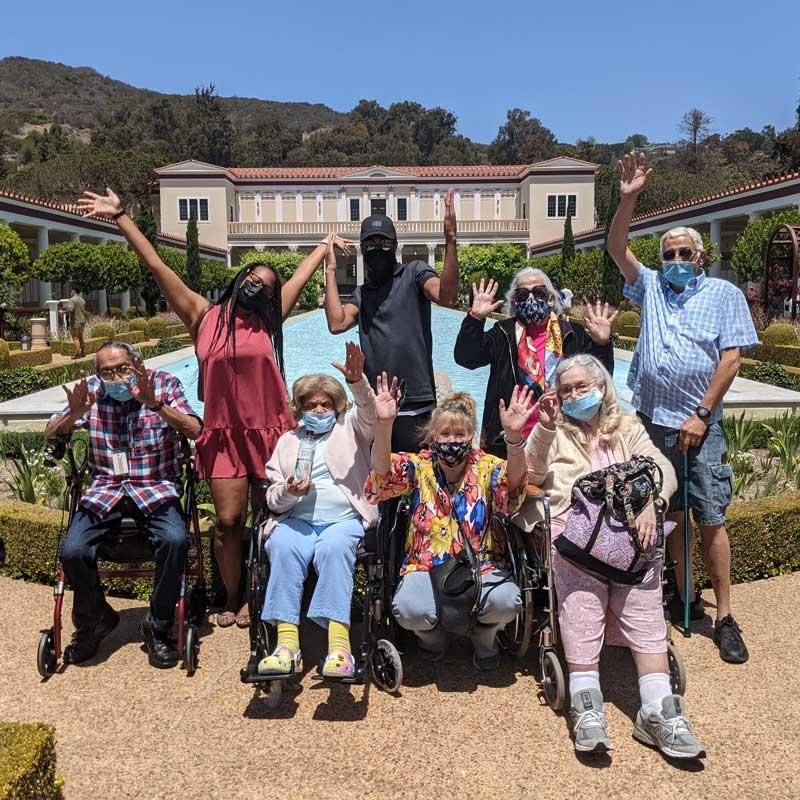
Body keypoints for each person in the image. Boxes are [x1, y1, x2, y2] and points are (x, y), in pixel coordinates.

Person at [78, 188, 352, 629]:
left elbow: (299, 277)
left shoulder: (269, 318)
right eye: (251, 277)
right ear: (238, 276)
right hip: (223, 434)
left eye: (264, 285)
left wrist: (324, 247)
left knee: (279, 520)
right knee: (227, 522)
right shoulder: (203, 316)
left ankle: (270, 598)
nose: (255, 285)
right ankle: (233, 595)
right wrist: (122, 216)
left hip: (272, 433)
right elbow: (157, 266)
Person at [607, 152, 759, 664]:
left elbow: (731, 358)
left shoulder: (724, 293)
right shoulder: (649, 285)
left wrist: (702, 413)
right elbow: (616, 247)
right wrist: (628, 198)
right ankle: (683, 594)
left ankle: (726, 615)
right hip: (652, 423)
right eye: (667, 253)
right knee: (669, 516)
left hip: (701, 423)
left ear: (699, 257)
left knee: (711, 516)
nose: (673, 260)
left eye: (682, 254)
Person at [526, 354, 706, 759]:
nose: (573, 395)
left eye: (580, 387)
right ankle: (587, 705)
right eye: (566, 389)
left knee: (644, 605)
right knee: (583, 607)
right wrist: (544, 427)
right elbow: (532, 476)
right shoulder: (552, 429)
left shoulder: (627, 425)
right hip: (576, 539)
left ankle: (659, 710)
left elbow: (663, 469)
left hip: (629, 537)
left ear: (601, 386)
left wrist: (651, 500)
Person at [45, 342, 203, 668]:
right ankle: (96, 620)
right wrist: (75, 413)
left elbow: (195, 430)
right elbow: (51, 432)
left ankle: (158, 626)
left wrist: (155, 404)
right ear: (97, 374)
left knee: (175, 540)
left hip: (155, 488)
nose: (115, 377)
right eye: (106, 372)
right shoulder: (91, 392)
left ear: (137, 364)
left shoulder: (164, 384)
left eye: (122, 369)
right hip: (105, 491)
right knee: (72, 550)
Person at [366, 382, 534, 670]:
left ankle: (485, 636)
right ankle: (433, 639)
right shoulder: (420, 466)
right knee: (409, 610)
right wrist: (384, 425)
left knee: (507, 602)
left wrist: (514, 440)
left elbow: (515, 486)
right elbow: (383, 473)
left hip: (482, 563)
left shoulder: (488, 466)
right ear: (432, 437)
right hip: (424, 564)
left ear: (471, 437)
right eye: (445, 433)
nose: (452, 440)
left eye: (460, 434)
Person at [257, 342, 376, 679]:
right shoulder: (287, 442)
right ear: (301, 408)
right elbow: (272, 500)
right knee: (280, 545)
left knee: (336, 548)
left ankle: (340, 648)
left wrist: (357, 383)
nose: (319, 409)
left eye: (326, 404)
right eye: (311, 405)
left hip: (342, 520)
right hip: (297, 521)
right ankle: (287, 647)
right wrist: (289, 492)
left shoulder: (350, 429)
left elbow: (370, 413)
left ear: (337, 407)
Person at [323, 191, 460, 451]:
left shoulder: (414, 273)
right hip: (378, 404)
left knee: (419, 481)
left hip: (416, 401)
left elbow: (446, 295)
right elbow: (337, 323)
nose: (378, 249)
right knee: (383, 484)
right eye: (370, 244)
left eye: (384, 243)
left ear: (395, 245)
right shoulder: (362, 294)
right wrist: (330, 268)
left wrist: (450, 240)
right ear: (362, 249)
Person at [454, 269, 616, 458]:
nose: (531, 299)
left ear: (551, 299)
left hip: (567, 437)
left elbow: (601, 380)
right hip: (512, 439)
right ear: (515, 302)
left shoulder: (573, 333)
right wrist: (475, 318)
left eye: (538, 292)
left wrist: (603, 344)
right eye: (523, 294)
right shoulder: (503, 333)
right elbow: (467, 358)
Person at [66, 286, 87, 359]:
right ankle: (83, 353)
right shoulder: (82, 300)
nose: (71, 292)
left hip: (75, 321)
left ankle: (77, 354)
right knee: (81, 337)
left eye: (71, 291)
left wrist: (63, 312)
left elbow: (71, 309)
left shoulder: (72, 300)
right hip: (82, 321)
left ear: (74, 291)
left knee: (75, 338)